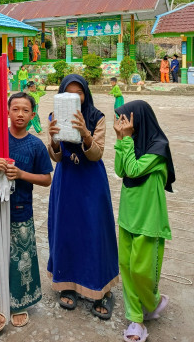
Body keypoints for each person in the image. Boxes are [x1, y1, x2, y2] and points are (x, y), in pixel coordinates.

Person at [0, 92, 53, 333]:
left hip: (21, 209)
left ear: (33, 114)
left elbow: (46, 179)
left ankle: (18, 301)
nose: (20, 114)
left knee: (21, 257)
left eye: (25, 110)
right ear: (7, 111)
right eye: (15, 109)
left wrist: (20, 174)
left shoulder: (36, 145)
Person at [47, 74, 119, 319]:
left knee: (95, 231)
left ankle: (103, 290)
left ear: (86, 94)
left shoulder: (97, 118)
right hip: (66, 180)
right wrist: (54, 140)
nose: (75, 97)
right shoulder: (54, 116)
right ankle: (67, 283)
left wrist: (85, 134)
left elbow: (97, 154)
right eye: (69, 92)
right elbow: (55, 157)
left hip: (91, 182)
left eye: (80, 92)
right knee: (66, 230)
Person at [114, 101, 174, 342]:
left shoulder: (159, 148)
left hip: (149, 220)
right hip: (128, 216)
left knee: (141, 270)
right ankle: (136, 319)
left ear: (138, 119)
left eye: (126, 120)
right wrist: (122, 141)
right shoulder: (129, 143)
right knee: (127, 267)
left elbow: (134, 169)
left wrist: (125, 140)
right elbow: (120, 170)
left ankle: (154, 301)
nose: (122, 125)